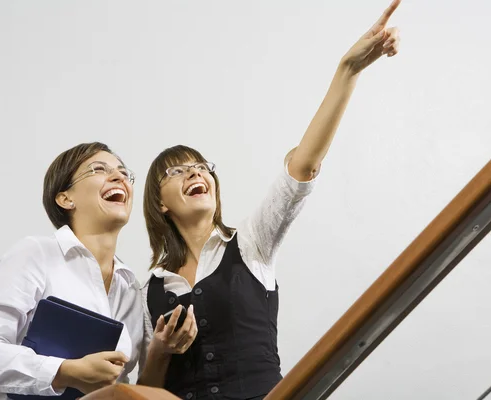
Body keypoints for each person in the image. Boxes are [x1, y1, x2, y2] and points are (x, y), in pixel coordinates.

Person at [138, 1, 402, 398]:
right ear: (160, 204)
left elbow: (303, 166)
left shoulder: (252, 243)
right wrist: (159, 351)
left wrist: (348, 70)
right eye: (177, 171)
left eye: (201, 166)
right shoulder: (148, 292)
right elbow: (144, 393)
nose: (195, 172)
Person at [0, 142, 144, 399]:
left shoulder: (130, 287)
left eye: (124, 172)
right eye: (98, 169)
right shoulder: (35, 254)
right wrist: (64, 371)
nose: (119, 176)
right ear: (66, 198)